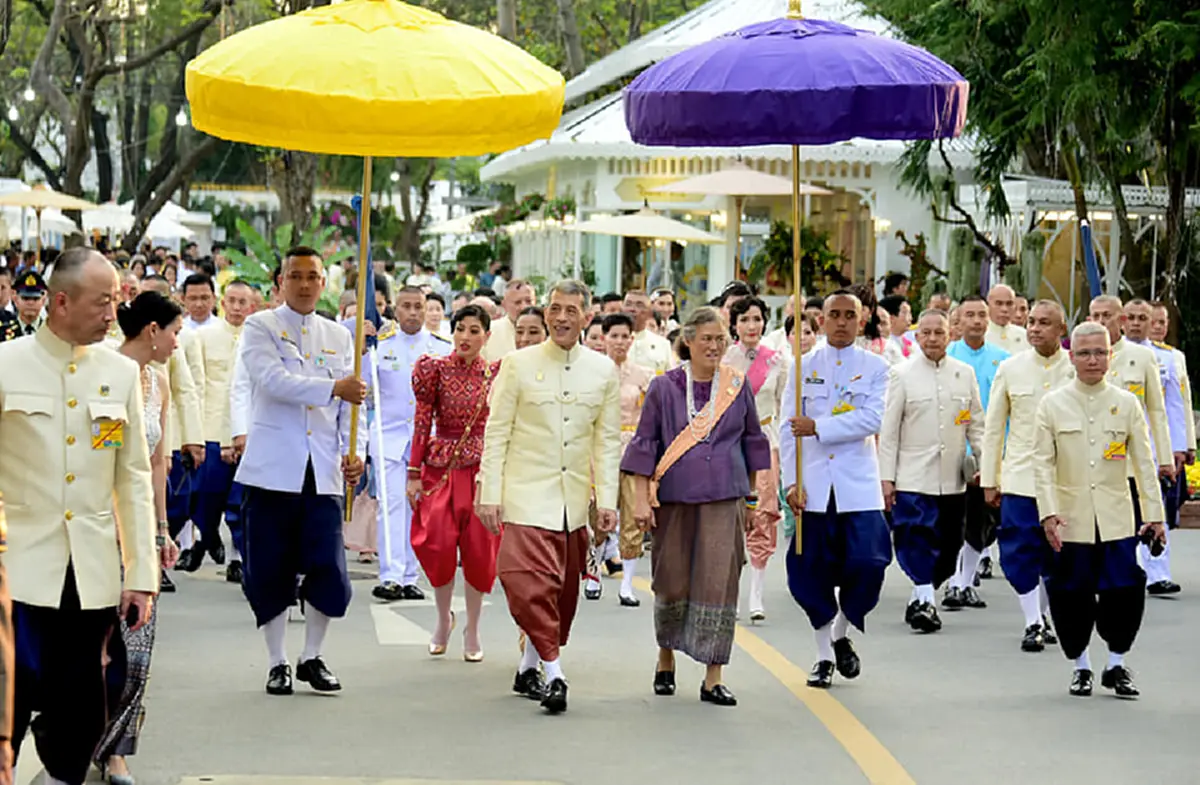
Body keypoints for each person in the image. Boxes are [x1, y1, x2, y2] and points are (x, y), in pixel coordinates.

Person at [0, 247, 158, 785]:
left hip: (87, 572)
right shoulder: (7, 365)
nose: (113, 314)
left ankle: (58, 776)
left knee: (83, 709)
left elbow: (130, 475)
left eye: (116, 301)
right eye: (103, 303)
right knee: (9, 696)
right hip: (16, 568)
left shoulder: (118, 372)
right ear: (61, 302)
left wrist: (140, 574)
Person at [477, 280, 621, 715]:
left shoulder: (603, 370)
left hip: (572, 504)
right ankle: (555, 674)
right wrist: (489, 491)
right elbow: (496, 430)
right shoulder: (517, 365)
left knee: (560, 595)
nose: (560, 318)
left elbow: (607, 442)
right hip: (523, 497)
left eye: (570, 311)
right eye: (554, 309)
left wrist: (608, 501)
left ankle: (528, 665)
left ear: (586, 317)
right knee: (523, 581)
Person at [622, 306, 771, 707]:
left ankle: (713, 675)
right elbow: (644, 445)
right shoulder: (664, 387)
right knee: (671, 577)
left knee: (719, 580)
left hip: (725, 497)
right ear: (687, 340)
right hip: (674, 498)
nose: (714, 346)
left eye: (721, 339)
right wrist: (639, 498)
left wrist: (754, 499)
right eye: (706, 338)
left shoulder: (737, 385)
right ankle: (666, 657)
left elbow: (753, 443)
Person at [235, 246, 367, 696]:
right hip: (274, 468)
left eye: (313, 276)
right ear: (280, 281)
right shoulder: (261, 326)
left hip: (324, 468)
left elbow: (355, 406)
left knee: (328, 568)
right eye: (296, 276)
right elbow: (273, 381)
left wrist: (357, 452)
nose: (305, 284)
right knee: (270, 568)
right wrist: (333, 387)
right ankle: (277, 661)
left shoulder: (339, 335)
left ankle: (312, 655)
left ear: (324, 282)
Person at [1034, 321, 1164, 698]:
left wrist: (1154, 515)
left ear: (1111, 356)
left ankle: (1117, 663)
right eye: (1085, 353)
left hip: (1117, 518)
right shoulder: (1052, 404)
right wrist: (1048, 513)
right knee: (1071, 593)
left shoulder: (1126, 404)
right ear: (1071, 356)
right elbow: (1041, 464)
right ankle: (1081, 666)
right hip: (1070, 519)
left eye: (1101, 352)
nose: (1093, 360)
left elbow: (1143, 462)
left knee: (1124, 590)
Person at [781, 289, 892, 688]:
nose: (842, 322)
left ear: (862, 321)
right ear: (820, 320)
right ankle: (823, 654)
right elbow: (787, 426)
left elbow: (872, 419)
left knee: (869, 563)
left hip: (857, 487)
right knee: (812, 572)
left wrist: (820, 427)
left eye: (850, 315)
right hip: (813, 486)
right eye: (834, 314)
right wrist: (790, 482)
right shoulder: (801, 367)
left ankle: (842, 628)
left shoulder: (877, 367)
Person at [95, 292, 184, 785]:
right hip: (95, 529)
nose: (177, 341)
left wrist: (162, 528)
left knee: (137, 648)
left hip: (139, 535)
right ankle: (76, 741)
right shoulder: (104, 370)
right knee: (95, 648)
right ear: (152, 329)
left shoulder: (159, 383)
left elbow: (156, 464)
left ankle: (116, 753)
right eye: (174, 332)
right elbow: (100, 457)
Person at [878, 310, 984, 633]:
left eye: (939, 333)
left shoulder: (964, 374)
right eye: (926, 333)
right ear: (917, 336)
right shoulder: (901, 374)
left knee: (949, 547)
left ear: (949, 334)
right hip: (912, 477)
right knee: (915, 539)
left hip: (953, 480)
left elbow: (976, 425)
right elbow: (890, 431)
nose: (933, 339)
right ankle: (926, 602)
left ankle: (920, 595)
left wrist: (986, 465)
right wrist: (886, 478)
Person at [408, 305, 501, 661]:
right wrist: (414, 472)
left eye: (474, 330)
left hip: (481, 470)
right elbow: (421, 421)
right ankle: (442, 617)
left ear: (487, 337)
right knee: (439, 544)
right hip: (440, 470)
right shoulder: (434, 370)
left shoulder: (497, 375)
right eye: (460, 328)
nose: (465, 337)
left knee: (480, 551)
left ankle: (473, 627)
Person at [981, 300, 1074, 651]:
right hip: (1020, 476)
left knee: (1056, 553)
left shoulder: (1075, 368)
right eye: (1032, 321)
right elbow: (993, 429)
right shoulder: (1011, 367)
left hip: (1065, 479)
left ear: (1061, 330)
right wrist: (990, 478)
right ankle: (1033, 621)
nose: (1034, 328)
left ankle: (1042, 615)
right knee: (1018, 551)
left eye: (1044, 323)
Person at [369, 286, 452, 602]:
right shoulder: (380, 346)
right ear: (395, 309)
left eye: (419, 306)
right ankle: (390, 575)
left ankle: (409, 576)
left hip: (427, 440)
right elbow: (363, 387)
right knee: (391, 506)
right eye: (406, 306)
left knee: (421, 509)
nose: (414, 313)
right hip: (389, 436)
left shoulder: (440, 348)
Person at [723, 296, 789, 622]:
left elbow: (784, 409)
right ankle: (730, 591)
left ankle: (757, 593)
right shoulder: (722, 359)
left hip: (764, 441)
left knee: (762, 513)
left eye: (758, 319)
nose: (752, 326)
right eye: (746, 319)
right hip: (729, 443)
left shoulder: (777, 361)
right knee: (732, 516)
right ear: (734, 324)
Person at [1120, 299, 1189, 595]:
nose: (1136, 323)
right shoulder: (1109, 353)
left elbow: (1176, 404)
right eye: (1131, 317)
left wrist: (1180, 446)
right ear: (1122, 320)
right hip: (1117, 445)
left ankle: (1157, 572)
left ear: (1153, 322)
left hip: (1151, 444)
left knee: (1155, 504)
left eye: (1143, 318)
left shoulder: (1168, 358)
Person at [944, 295, 1009, 605]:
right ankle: (951, 581)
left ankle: (965, 581)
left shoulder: (1003, 359)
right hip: (951, 449)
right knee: (952, 520)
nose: (977, 321)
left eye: (982, 314)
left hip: (988, 452)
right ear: (958, 320)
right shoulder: (947, 356)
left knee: (980, 522)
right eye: (969, 315)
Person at [589, 312, 654, 607]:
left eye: (624, 336)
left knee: (632, 513)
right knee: (598, 511)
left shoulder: (643, 374)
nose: (619, 342)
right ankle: (593, 573)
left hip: (633, 447)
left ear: (632, 339)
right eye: (613, 336)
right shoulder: (593, 372)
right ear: (604, 339)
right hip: (600, 448)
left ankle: (627, 583)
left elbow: (650, 416)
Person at [194, 280, 255, 585]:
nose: (236, 308)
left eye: (243, 302)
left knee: (241, 502)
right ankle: (206, 537)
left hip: (246, 430)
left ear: (252, 306)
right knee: (207, 496)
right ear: (222, 302)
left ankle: (237, 558)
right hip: (210, 428)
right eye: (231, 300)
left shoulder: (258, 337)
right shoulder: (203, 337)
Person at [483, 279, 534, 362]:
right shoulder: (489, 331)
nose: (524, 307)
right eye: (518, 302)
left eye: (528, 301)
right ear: (504, 305)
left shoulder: (547, 332)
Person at [624, 289, 672, 374]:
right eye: (628, 304)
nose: (632, 309)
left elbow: (670, 378)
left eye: (639, 305)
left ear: (649, 312)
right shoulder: (609, 341)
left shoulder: (662, 344)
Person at [0, 269, 47, 341]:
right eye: (25, 298)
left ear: (43, 300)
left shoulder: (52, 333)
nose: (30, 303)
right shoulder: (2, 332)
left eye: (35, 299)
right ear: (15, 299)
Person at [985, 284, 1028, 355]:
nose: (1004, 309)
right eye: (999, 303)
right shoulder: (979, 336)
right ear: (988, 305)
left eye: (1009, 304)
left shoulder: (1025, 337)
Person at [878, 294, 913, 365]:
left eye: (910, 313)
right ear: (891, 318)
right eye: (905, 313)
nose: (910, 318)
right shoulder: (882, 345)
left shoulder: (911, 340)